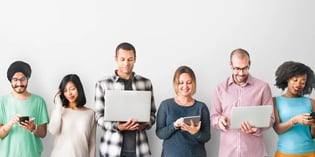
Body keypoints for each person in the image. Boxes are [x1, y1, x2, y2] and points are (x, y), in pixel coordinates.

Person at [95, 42, 156, 157]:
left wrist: (144, 125)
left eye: (130, 59)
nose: (126, 63)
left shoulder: (146, 83)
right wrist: (117, 126)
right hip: (111, 149)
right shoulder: (103, 84)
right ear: (116, 59)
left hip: (139, 149)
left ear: (135, 59)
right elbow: (98, 116)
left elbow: (152, 114)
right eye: (122, 59)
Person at [210, 48, 274, 157]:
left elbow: (271, 119)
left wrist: (257, 129)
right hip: (228, 153)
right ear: (230, 65)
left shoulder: (263, 87)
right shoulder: (219, 88)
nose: (241, 73)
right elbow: (213, 117)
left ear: (250, 64)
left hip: (254, 153)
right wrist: (219, 120)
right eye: (237, 68)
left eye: (245, 68)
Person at [156, 65, 211, 157]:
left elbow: (206, 137)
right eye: (181, 83)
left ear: (193, 83)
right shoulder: (166, 105)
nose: (185, 86)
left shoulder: (201, 107)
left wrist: (195, 133)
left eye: (189, 82)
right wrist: (175, 125)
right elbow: (160, 134)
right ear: (176, 84)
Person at [0, 60, 49, 157]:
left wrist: (33, 128)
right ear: (10, 80)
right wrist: (11, 123)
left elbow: (43, 133)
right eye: (15, 79)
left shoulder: (39, 101)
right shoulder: (2, 101)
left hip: (32, 154)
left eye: (22, 79)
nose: (19, 83)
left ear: (27, 79)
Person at [273, 61, 315, 157]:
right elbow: (277, 129)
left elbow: (313, 135)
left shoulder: (311, 102)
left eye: (303, 82)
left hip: (310, 152)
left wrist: (313, 125)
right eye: (295, 80)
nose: (298, 85)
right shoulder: (275, 101)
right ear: (287, 79)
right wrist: (295, 120)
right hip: (285, 153)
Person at [48, 74, 96, 157]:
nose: (69, 93)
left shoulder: (90, 114)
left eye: (72, 89)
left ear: (79, 89)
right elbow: (53, 130)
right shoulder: (58, 111)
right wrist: (58, 105)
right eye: (65, 91)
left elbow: (92, 144)